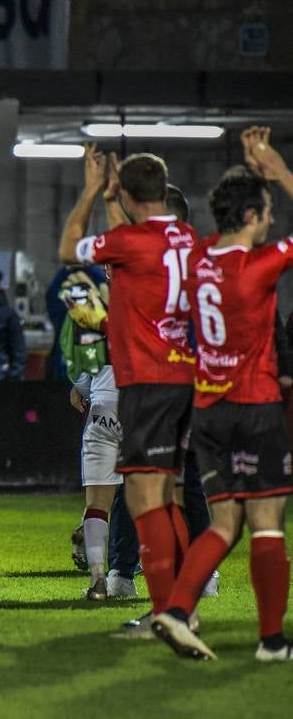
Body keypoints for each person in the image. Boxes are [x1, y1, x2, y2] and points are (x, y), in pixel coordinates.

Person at [150, 131, 293, 662]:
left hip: (208, 410)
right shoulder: (259, 266)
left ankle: (178, 608)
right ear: (253, 216)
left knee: (224, 521)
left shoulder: (200, 256)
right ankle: (272, 642)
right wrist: (276, 171)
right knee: (267, 522)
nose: (273, 219)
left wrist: (252, 172)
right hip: (255, 407)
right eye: (269, 211)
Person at [58, 144, 197, 635]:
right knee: (166, 496)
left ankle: (171, 608)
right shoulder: (185, 238)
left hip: (143, 381)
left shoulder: (132, 244)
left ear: (129, 196)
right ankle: (181, 607)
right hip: (181, 379)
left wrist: (95, 189)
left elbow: (69, 247)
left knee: (143, 500)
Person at [58, 266, 120, 601]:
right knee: (156, 501)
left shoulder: (94, 309)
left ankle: (98, 583)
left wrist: (79, 389)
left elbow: (79, 373)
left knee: (97, 504)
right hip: (146, 408)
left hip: (103, 407)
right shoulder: (154, 301)